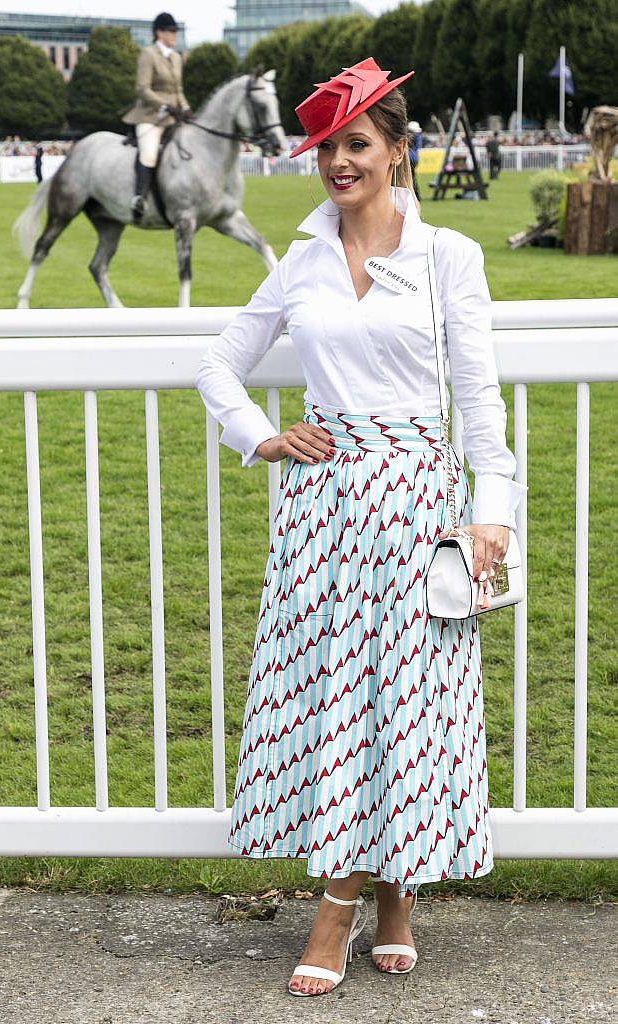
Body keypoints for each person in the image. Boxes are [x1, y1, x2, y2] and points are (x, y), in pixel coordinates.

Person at [196, 56, 528, 998]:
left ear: (396, 151)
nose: (339, 163)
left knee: (407, 712)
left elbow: (478, 400)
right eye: (326, 148)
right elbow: (219, 364)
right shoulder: (298, 259)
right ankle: (356, 906)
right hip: (325, 516)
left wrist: (489, 512)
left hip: (419, 511)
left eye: (356, 144)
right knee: (341, 707)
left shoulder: (447, 257)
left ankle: (381, 904)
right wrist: (261, 438)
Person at [121, 12, 191, 220]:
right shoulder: (148, 54)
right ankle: (140, 197)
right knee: (149, 153)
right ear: (159, 32)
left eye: (175, 32)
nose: (174, 35)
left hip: (173, 116)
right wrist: (165, 104)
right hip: (150, 115)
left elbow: (178, 89)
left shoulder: (176, 57)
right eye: (171, 31)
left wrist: (185, 107)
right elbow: (142, 88)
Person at [407, 119, 423, 200]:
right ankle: (416, 195)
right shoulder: (419, 136)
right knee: (412, 177)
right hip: (415, 158)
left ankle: (414, 195)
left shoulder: (412, 136)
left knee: (409, 177)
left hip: (409, 158)